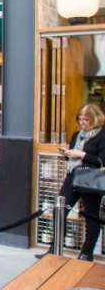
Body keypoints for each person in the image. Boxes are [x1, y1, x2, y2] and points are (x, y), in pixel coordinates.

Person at [37, 103, 105, 262]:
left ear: (95, 119)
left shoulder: (102, 136)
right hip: (73, 176)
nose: (83, 123)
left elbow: (101, 161)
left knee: (91, 217)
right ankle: (54, 249)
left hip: (90, 179)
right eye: (80, 119)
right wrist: (67, 154)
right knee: (59, 210)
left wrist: (81, 154)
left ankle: (86, 253)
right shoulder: (76, 135)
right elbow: (73, 159)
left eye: (86, 120)